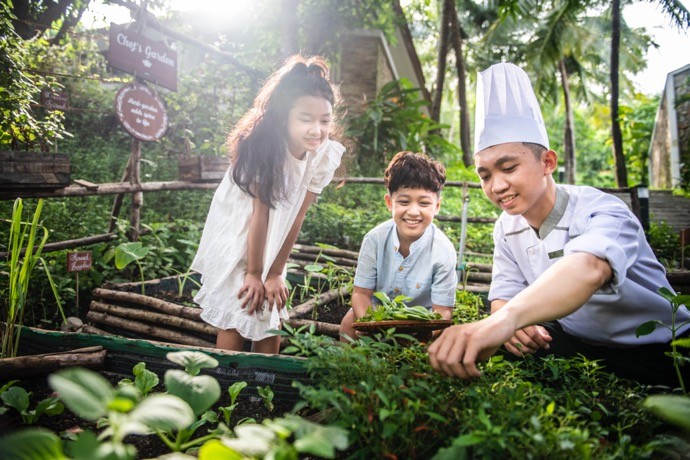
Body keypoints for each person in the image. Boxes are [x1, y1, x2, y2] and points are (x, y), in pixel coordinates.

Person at [428, 62, 690, 387]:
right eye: (485, 175)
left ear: (547, 162)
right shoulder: (506, 228)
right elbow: (504, 293)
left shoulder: (601, 208)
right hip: (578, 346)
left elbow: (590, 268)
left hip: (661, 350)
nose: (496, 186)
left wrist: (506, 320)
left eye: (508, 167)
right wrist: (509, 322)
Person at [191, 55, 345, 354]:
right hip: (241, 232)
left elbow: (298, 215)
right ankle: (227, 383)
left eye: (324, 121)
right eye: (305, 119)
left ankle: (266, 389)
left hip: (275, 236)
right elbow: (258, 215)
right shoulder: (264, 148)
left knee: (270, 305)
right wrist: (253, 272)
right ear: (283, 116)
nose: (316, 129)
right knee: (243, 300)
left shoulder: (322, 155)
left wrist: (275, 272)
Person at [340, 151, 458, 342]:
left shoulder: (442, 251)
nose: (413, 212)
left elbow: (442, 311)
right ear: (389, 202)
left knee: (438, 343)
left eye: (424, 203)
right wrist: (370, 324)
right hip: (377, 312)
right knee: (348, 322)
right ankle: (344, 370)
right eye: (404, 201)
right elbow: (361, 294)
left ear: (436, 206)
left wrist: (423, 334)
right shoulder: (374, 239)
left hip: (422, 320)